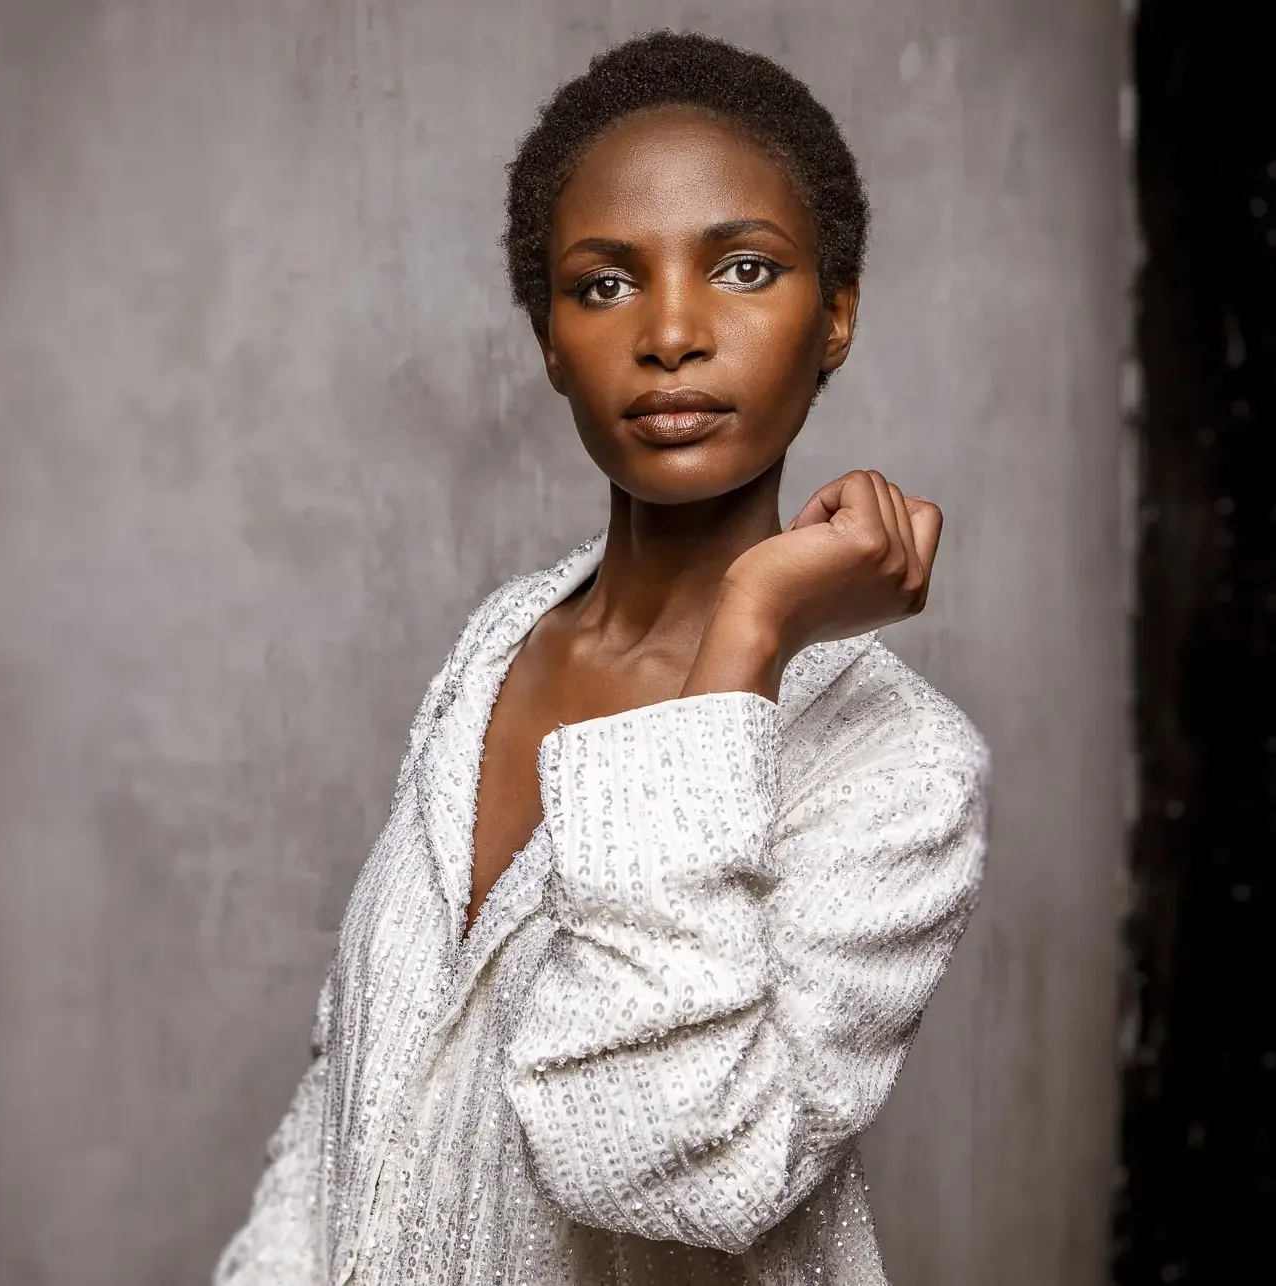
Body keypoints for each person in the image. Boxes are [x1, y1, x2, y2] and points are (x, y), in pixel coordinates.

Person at [215, 29, 988, 1286]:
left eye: (743, 268)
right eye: (605, 284)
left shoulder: (899, 764)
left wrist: (745, 637)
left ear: (835, 315)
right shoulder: (497, 649)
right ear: (549, 339)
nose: (672, 332)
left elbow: (669, 1161)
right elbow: (355, 1081)